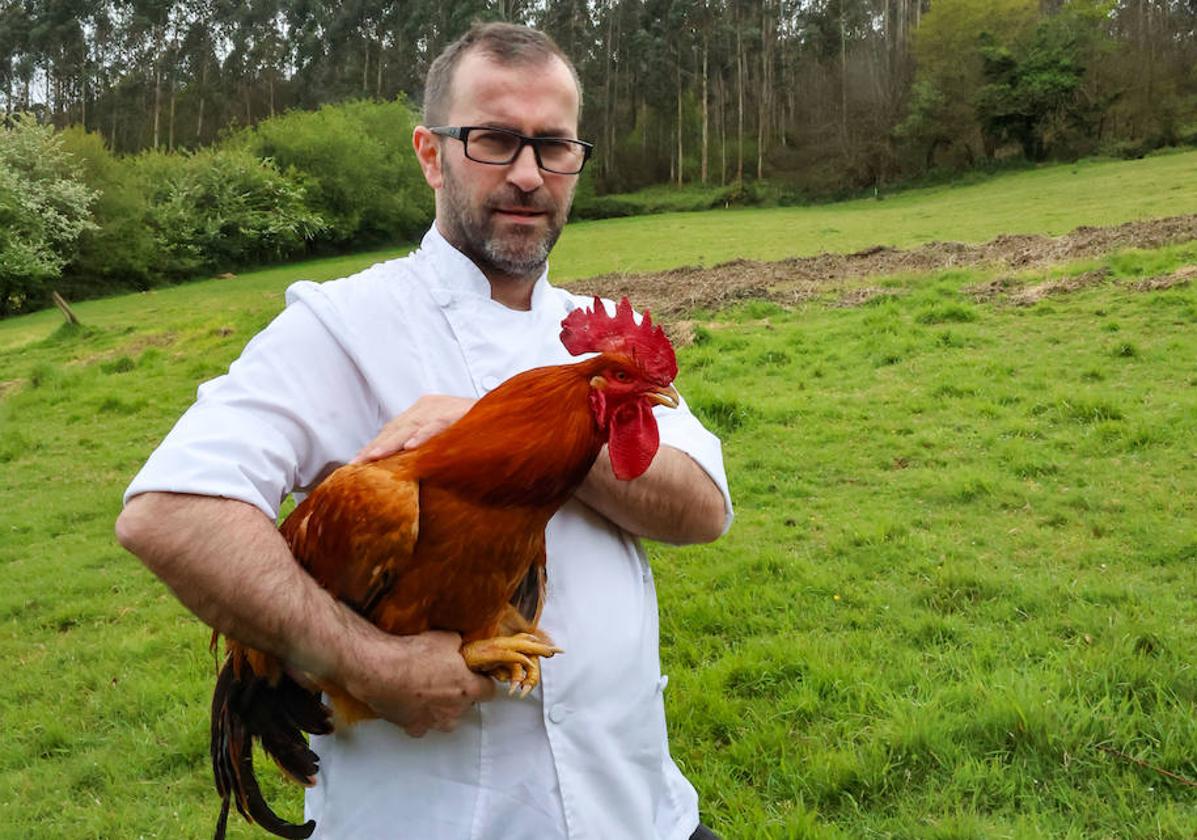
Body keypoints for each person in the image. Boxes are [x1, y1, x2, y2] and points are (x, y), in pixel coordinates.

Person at [116, 21, 732, 840]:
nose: (526, 174)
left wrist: (541, 433)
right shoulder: (337, 325)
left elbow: (702, 512)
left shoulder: (596, 335)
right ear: (430, 153)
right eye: (492, 139)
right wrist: (369, 664)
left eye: (553, 146)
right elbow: (167, 512)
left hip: (640, 810)